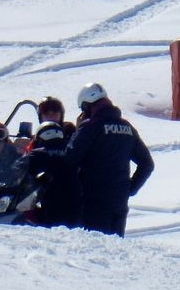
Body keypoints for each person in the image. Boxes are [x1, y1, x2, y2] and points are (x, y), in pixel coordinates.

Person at [64, 83, 154, 236]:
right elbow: (147, 164)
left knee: (94, 251)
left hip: (94, 201)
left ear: (87, 106)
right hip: (119, 201)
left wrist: (77, 131)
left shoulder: (90, 126)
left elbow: (70, 158)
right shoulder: (127, 127)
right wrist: (130, 189)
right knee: (113, 252)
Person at [12, 121, 82, 228]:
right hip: (77, 210)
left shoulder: (39, 153)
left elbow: (16, 169)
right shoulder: (73, 152)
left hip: (50, 211)